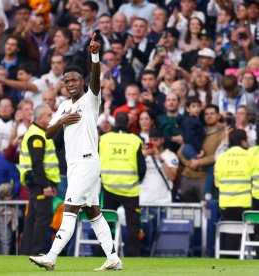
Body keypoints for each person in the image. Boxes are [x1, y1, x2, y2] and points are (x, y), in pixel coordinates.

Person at [29, 34, 122, 271]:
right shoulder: (63, 106)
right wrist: (62, 120)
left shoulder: (91, 99)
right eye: (66, 81)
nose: (70, 84)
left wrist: (94, 55)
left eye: (74, 80)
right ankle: (113, 258)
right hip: (73, 166)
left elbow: (96, 78)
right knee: (93, 212)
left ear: (82, 82)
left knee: (69, 209)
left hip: (87, 162)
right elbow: (47, 133)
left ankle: (51, 256)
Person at [100, 111, 146, 256]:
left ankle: (101, 252)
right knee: (132, 224)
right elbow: (142, 167)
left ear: (114, 123)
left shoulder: (104, 139)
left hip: (109, 187)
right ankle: (133, 254)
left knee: (106, 223)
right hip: (130, 189)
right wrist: (137, 180)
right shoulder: (135, 140)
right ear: (128, 123)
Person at [20, 104, 59, 256]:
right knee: (43, 216)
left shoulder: (38, 132)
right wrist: (46, 186)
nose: (51, 118)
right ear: (40, 117)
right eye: (49, 115)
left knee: (32, 217)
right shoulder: (37, 135)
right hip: (39, 183)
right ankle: (37, 251)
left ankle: (27, 251)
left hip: (37, 182)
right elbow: (37, 164)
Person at [215, 129, 252, 250]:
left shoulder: (221, 157)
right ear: (244, 141)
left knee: (232, 235)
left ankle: (228, 262)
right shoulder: (250, 156)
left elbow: (217, 183)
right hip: (247, 204)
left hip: (227, 204)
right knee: (253, 234)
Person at [140, 128, 179, 205]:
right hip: (144, 200)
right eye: (150, 140)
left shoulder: (170, 155)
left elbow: (172, 177)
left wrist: (161, 159)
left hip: (163, 201)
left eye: (155, 140)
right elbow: (134, 172)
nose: (153, 143)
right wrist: (143, 156)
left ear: (162, 140)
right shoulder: (144, 154)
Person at [180, 97, 205, 161]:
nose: (196, 109)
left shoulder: (195, 119)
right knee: (197, 164)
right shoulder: (190, 121)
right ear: (187, 109)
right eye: (193, 106)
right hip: (191, 147)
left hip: (191, 146)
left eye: (198, 106)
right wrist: (199, 149)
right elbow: (192, 136)